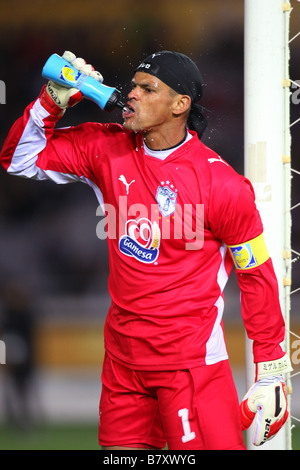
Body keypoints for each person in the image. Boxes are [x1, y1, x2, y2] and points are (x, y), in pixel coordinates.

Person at [0, 50, 292, 450]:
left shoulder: (221, 184)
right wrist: (51, 100)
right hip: (123, 364)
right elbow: (18, 159)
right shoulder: (105, 148)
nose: (131, 94)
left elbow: (255, 274)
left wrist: (271, 368)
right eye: (133, 84)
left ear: (180, 105)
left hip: (190, 368)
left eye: (147, 88)